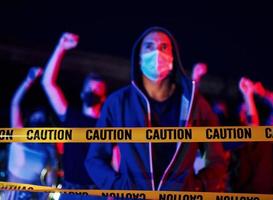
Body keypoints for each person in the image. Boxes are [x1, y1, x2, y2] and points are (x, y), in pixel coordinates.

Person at [85, 27, 227, 192]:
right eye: (149, 46)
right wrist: (120, 187)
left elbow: (216, 160)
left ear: (173, 57)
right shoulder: (118, 103)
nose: (157, 53)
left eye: (164, 47)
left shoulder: (194, 105)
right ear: (138, 58)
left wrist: (196, 187)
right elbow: (95, 159)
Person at [41, 33, 107, 199]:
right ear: (82, 93)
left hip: (96, 193)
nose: (92, 93)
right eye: (90, 89)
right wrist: (60, 48)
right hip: (70, 191)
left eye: (97, 90)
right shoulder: (71, 116)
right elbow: (48, 84)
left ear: (104, 96)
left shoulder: (107, 124)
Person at [2, 67, 57, 200]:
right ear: (29, 120)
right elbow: (15, 104)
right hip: (11, 194)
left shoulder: (48, 148)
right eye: (35, 118)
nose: (38, 121)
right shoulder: (20, 136)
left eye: (41, 119)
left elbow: (51, 177)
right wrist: (28, 80)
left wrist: (47, 194)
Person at [228, 77, 273, 193]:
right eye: (244, 112)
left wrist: (264, 93)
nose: (248, 114)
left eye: (250, 109)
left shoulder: (267, 135)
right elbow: (252, 130)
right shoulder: (233, 141)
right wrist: (248, 96)